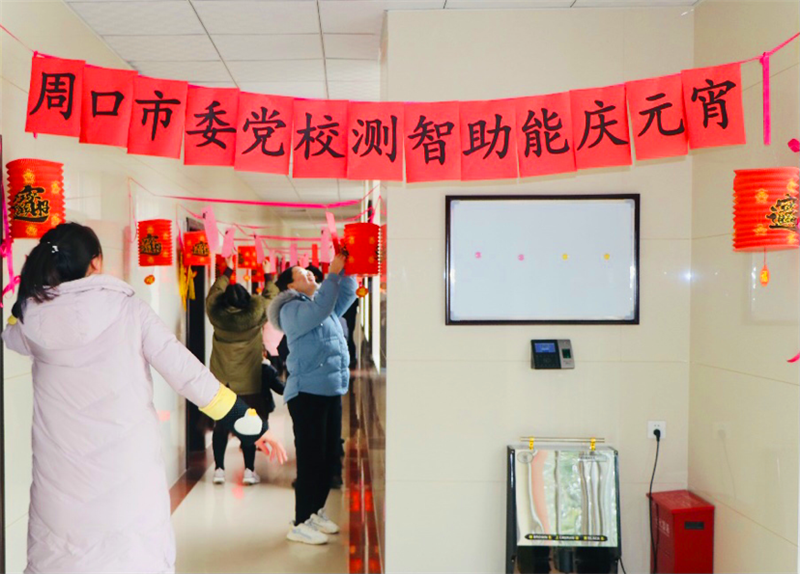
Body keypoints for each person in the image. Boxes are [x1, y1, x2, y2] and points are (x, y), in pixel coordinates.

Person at [2, 223, 287, 573]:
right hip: (128, 478)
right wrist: (249, 423)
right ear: (96, 262)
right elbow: (189, 374)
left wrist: (30, 293)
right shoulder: (128, 310)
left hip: (60, 486)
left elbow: (10, 335)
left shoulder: (31, 319)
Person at [268, 253, 357, 545]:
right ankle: (299, 522)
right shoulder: (290, 309)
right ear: (290, 286)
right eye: (302, 274)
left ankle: (315, 512)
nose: (309, 274)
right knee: (310, 460)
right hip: (307, 394)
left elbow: (346, 295)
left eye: (310, 272)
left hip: (330, 390)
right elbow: (320, 310)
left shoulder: (320, 305)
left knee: (329, 458)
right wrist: (331, 274)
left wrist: (347, 271)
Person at [207, 257, 278, 485]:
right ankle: (248, 471)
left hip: (222, 382)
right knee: (248, 424)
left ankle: (219, 470)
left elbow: (213, 294)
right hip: (249, 381)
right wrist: (268, 275)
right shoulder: (255, 317)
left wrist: (228, 270)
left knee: (220, 427)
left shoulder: (216, 316)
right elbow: (271, 298)